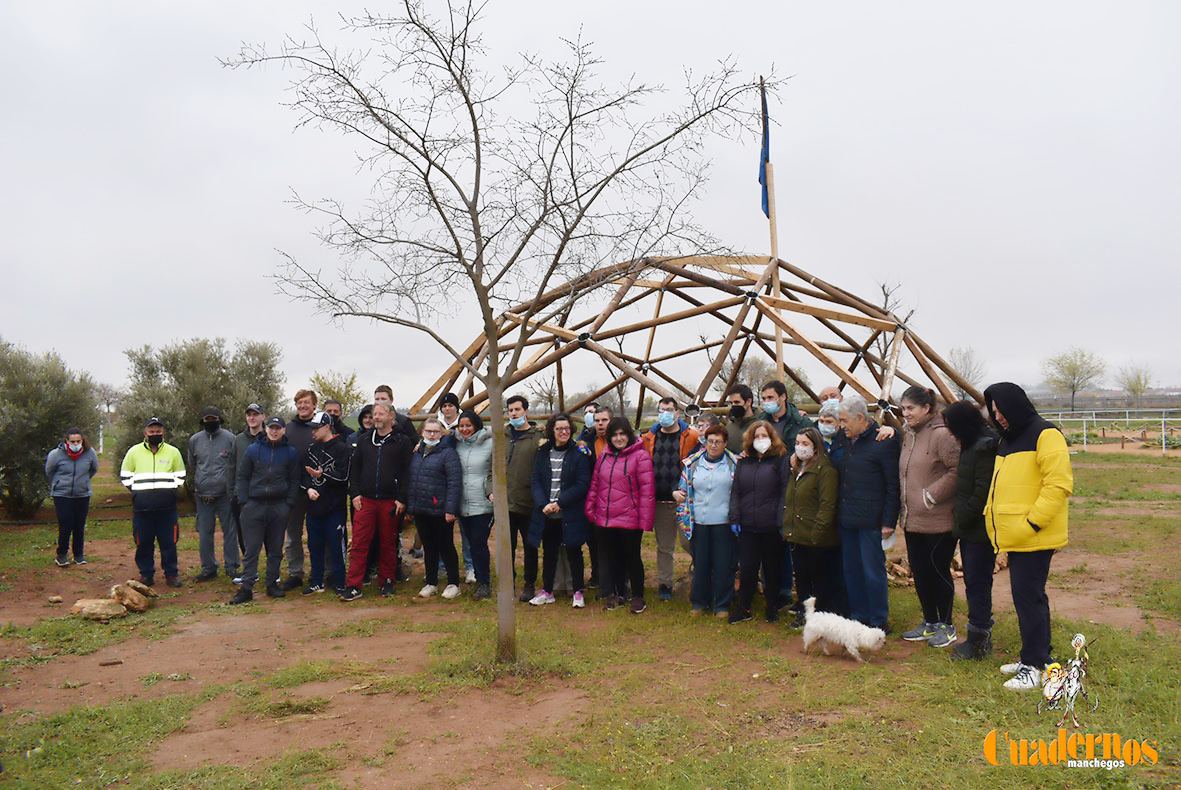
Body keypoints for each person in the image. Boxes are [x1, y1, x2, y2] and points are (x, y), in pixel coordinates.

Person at [984, 383, 1073, 691]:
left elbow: (1058, 486)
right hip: (1015, 535)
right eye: (993, 411)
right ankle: (1037, 658)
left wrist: (1032, 524)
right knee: (1028, 598)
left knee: (1029, 598)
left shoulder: (1046, 434)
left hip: (1034, 536)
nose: (997, 416)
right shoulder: (1006, 440)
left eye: (1000, 410)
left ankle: (1034, 666)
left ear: (1015, 405)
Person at [897, 386, 961, 649]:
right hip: (913, 520)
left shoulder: (942, 435)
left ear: (927, 408)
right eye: (903, 408)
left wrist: (932, 494)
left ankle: (947, 625)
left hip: (939, 520)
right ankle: (929, 621)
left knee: (938, 572)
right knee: (921, 572)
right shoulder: (909, 436)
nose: (906, 413)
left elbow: (957, 469)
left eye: (910, 408)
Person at [836, 394, 900, 631]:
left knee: (872, 572)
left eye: (845, 420)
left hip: (872, 519)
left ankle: (878, 620)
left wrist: (888, 520)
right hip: (847, 516)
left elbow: (892, 484)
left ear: (861, 418)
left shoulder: (882, 441)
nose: (842, 425)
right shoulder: (845, 440)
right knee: (851, 570)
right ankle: (858, 615)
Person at [943, 400, 999, 660]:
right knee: (973, 581)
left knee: (977, 582)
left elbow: (981, 493)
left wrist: (961, 520)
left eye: (953, 427)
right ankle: (979, 631)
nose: (951, 433)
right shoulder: (971, 443)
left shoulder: (985, 446)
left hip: (979, 529)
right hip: (969, 527)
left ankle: (979, 640)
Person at [344, 402, 414, 601]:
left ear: (391, 416)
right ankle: (354, 585)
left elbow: (406, 472)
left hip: (390, 501)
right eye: (374, 414)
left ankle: (387, 581)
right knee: (359, 543)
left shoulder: (402, 442)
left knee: (388, 542)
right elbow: (354, 470)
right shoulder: (365, 440)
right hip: (365, 500)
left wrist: (402, 498)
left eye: (380, 414)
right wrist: (355, 493)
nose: (376, 417)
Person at [585, 417, 655, 613]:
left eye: (622, 434)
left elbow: (647, 491)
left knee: (632, 557)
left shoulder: (640, 457)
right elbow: (595, 486)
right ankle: (617, 593)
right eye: (614, 435)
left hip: (630, 518)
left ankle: (638, 596)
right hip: (606, 518)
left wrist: (645, 520)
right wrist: (591, 510)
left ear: (629, 435)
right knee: (612, 557)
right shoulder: (604, 457)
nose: (618, 438)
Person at [230, 416, 300, 603]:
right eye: (271, 427)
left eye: (278, 428)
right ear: (266, 429)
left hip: (279, 506)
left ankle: (272, 584)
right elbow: (242, 476)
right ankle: (246, 588)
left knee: (275, 549)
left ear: (284, 430)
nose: (274, 431)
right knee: (252, 549)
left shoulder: (290, 453)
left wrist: (289, 504)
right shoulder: (253, 450)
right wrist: (244, 502)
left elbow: (294, 480)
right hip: (254, 505)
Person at [528, 414, 594, 607]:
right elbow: (536, 481)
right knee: (549, 552)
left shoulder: (578, 453)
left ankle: (578, 592)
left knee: (574, 551)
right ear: (552, 431)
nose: (563, 432)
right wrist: (543, 504)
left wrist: (561, 502)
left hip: (570, 512)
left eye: (566, 428)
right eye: (559, 429)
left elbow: (583, 483)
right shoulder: (543, 452)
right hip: (548, 512)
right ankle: (548, 590)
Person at [728, 421, 790, 624]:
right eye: (757, 436)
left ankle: (772, 607)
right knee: (747, 568)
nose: (760, 440)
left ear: (772, 439)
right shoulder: (744, 462)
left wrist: (780, 520)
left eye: (764, 436)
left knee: (772, 569)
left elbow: (784, 492)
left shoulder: (780, 460)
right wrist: (735, 517)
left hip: (771, 524)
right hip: (747, 525)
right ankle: (744, 607)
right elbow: (736, 491)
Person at [674, 423, 738, 618]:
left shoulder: (734, 464)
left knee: (723, 564)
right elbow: (682, 489)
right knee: (700, 563)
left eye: (718, 442)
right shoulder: (692, 463)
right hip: (698, 521)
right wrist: (676, 493)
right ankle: (699, 602)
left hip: (724, 522)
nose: (713, 445)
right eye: (710, 441)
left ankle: (722, 605)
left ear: (725, 443)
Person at [782, 427, 842, 626]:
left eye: (805, 444)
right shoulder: (797, 468)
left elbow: (827, 505)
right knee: (802, 577)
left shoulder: (825, 470)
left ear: (816, 447)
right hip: (797, 533)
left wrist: (817, 533)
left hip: (817, 537)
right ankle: (804, 611)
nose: (800, 447)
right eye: (798, 443)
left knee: (819, 578)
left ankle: (821, 614)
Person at [641, 397, 699, 601]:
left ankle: (700, 575)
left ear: (677, 413)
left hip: (684, 501)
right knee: (664, 547)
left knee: (689, 542)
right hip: (660, 502)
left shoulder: (691, 436)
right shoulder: (648, 437)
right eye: (661, 410)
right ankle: (665, 584)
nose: (664, 413)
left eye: (669, 410)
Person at [120, 417, 186, 588]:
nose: (155, 434)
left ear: (163, 432)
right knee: (143, 542)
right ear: (145, 432)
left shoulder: (173, 452)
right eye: (151, 431)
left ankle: (171, 574)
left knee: (169, 542)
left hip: (167, 508)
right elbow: (125, 475)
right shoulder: (134, 452)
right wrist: (137, 492)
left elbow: (181, 474)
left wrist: (170, 491)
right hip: (142, 508)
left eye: (158, 431)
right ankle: (146, 574)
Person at [407, 417, 463, 599]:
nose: (431, 434)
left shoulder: (448, 454)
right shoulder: (416, 453)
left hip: (441, 510)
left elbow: (454, 483)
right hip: (421, 509)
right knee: (429, 547)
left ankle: (453, 583)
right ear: (422, 432)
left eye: (435, 431)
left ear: (442, 433)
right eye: (428, 431)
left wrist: (451, 509)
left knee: (445, 546)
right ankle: (431, 582)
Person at [301, 411, 351, 595]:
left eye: (316, 427)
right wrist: (308, 488)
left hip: (334, 507)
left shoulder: (342, 448)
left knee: (336, 546)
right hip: (314, 507)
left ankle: (339, 582)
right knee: (315, 545)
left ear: (327, 426)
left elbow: (343, 477)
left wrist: (322, 475)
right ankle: (316, 581)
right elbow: (303, 475)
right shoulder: (311, 449)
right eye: (311, 428)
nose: (313, 431)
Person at [188, 406, 240, 582]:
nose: (210, 422)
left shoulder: (230, 439)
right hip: (203, 496)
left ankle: (232, 566)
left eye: (213, 419)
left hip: (225, 495)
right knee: (205, 533)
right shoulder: (194, 440)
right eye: (207, 419)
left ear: (220, 420)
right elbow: (192, 464)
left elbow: (235, 465)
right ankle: (208, 568)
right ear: (202, 421)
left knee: (230, 532)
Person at [279, 389, 319, 592]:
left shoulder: (319, 427)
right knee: (292, 535)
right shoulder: (288, 429)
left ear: (314, 405)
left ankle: (321, 572)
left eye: (306, 402)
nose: (303, 406)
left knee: (317, 534)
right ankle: (295, 573)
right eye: (299, 403)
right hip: (293, 490)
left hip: (317, 491)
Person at [505, 395, 542, 602]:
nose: (514, 413)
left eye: (517, 409)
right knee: (507, 547)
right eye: (510, 410)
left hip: (529, 502)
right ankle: (508, 582)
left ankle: (529, 584)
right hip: (507, 503)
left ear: (525, 411)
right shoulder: (503, 435)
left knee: (530, 546)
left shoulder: (537, 436)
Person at [454, 410, 494, 600]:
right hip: (462, 502)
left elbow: (496, 469)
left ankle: (484, 582)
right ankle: (478, 577)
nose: (465, 429)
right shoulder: (457, 444)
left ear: (476, 425)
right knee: (470, 542)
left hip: (483, 502)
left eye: (468, 425)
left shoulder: (490, 443)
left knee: (479, 543)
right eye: (461, 426)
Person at [45, 427, 98, 566]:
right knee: (66, 524)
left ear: (82, 440)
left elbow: (94, 469)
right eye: (72, 441)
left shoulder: (90, 453)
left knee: (79, 525)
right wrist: (59, 484)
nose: (75, 444)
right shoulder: (56, 454)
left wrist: (84, 481)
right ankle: (61, 554)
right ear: (66, 441)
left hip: (82, 494)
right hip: (62, 495)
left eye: (78, 441)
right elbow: (49, 471)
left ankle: (79, 555)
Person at [435, 393, 474, 581]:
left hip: (465, 479)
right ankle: (443, 566)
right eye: (445, 406)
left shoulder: (464, 425)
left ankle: (470, 567)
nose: (447, 408)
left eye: (451, 405)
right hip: (443, 483)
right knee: (444, 529)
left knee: (467, 530)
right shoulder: (437, 425)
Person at [723, 385, 759, 455]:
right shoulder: (729, 426)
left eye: (737, 402)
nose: (733, 406)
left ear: (748, 401)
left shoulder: (760, 425)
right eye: (731, 403)